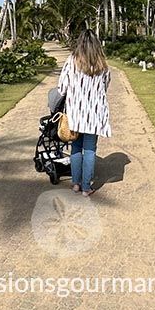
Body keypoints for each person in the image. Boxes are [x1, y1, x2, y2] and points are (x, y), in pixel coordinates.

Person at [57, 29, 111, 197]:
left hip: (75, 113)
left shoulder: (72, 61)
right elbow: (105, 85)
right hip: (94, 114)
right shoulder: (102, 64)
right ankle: (86, 188)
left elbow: (62, 87)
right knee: (89, 150)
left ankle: (76, 183)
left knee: (75, 148)